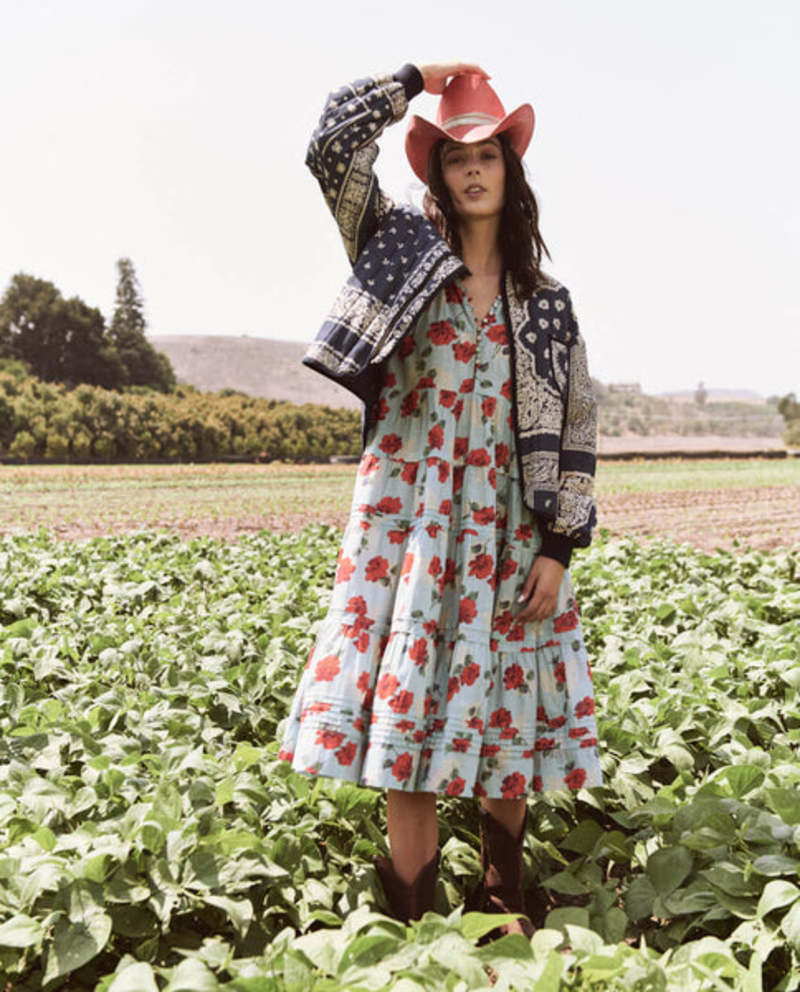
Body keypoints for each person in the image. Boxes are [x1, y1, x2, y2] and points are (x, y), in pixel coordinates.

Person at [278, 61, 602, 938]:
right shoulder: (398, 254)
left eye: (488, 153)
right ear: (437, 174)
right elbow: (332, 146)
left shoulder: (548, 306)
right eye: (455, 156)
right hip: (405, 524)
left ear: (510, 170)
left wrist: (558, 547)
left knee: (507, 703)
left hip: (508, 523)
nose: (472, 169)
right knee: (409, 701)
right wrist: (416, 76)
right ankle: (412, 919)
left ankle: (501, 900)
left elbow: (576, 429)